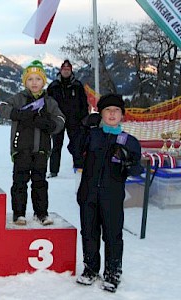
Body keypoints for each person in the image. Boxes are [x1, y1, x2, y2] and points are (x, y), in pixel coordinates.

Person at [75, 94, 143, 292]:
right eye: (107, 110)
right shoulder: (92, 135)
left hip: (112, 196)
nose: (112, 114)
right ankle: (90, 269)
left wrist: (128, 162)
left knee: (113, 235)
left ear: (122, 115)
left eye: (116, 110)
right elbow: (75, 151)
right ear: (101, 113)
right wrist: (83, 128)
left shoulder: (129, 141)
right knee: (89, 232)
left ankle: (113, 273)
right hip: (88, 194)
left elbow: (137, 170)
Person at [0, 60, 65, 226]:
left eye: (38, 79)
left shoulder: (49, 102)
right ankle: (19, 213)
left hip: (41, 151)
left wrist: (51, 124)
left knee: (40, 183)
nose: (34, 82)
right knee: (19, 182)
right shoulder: (19, 98)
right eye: (30, 79)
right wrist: (17, 114)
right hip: (21, 149)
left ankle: (41, 213)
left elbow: (61, 119)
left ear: (43, 81)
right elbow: (2, 108)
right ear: (25, 82)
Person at [47, 59, 89, 177]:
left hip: (74, 121)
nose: (66, 71)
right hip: (58, 120)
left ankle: (79, 168)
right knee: (56, 146)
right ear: (60, 71)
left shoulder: (77, 85)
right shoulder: (53, 86)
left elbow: (84, 103)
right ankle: (54, 171)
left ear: (71, 71)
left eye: (68, 69)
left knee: (77, 145)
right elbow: (47, 103)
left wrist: (83, 118)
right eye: (64, 69)